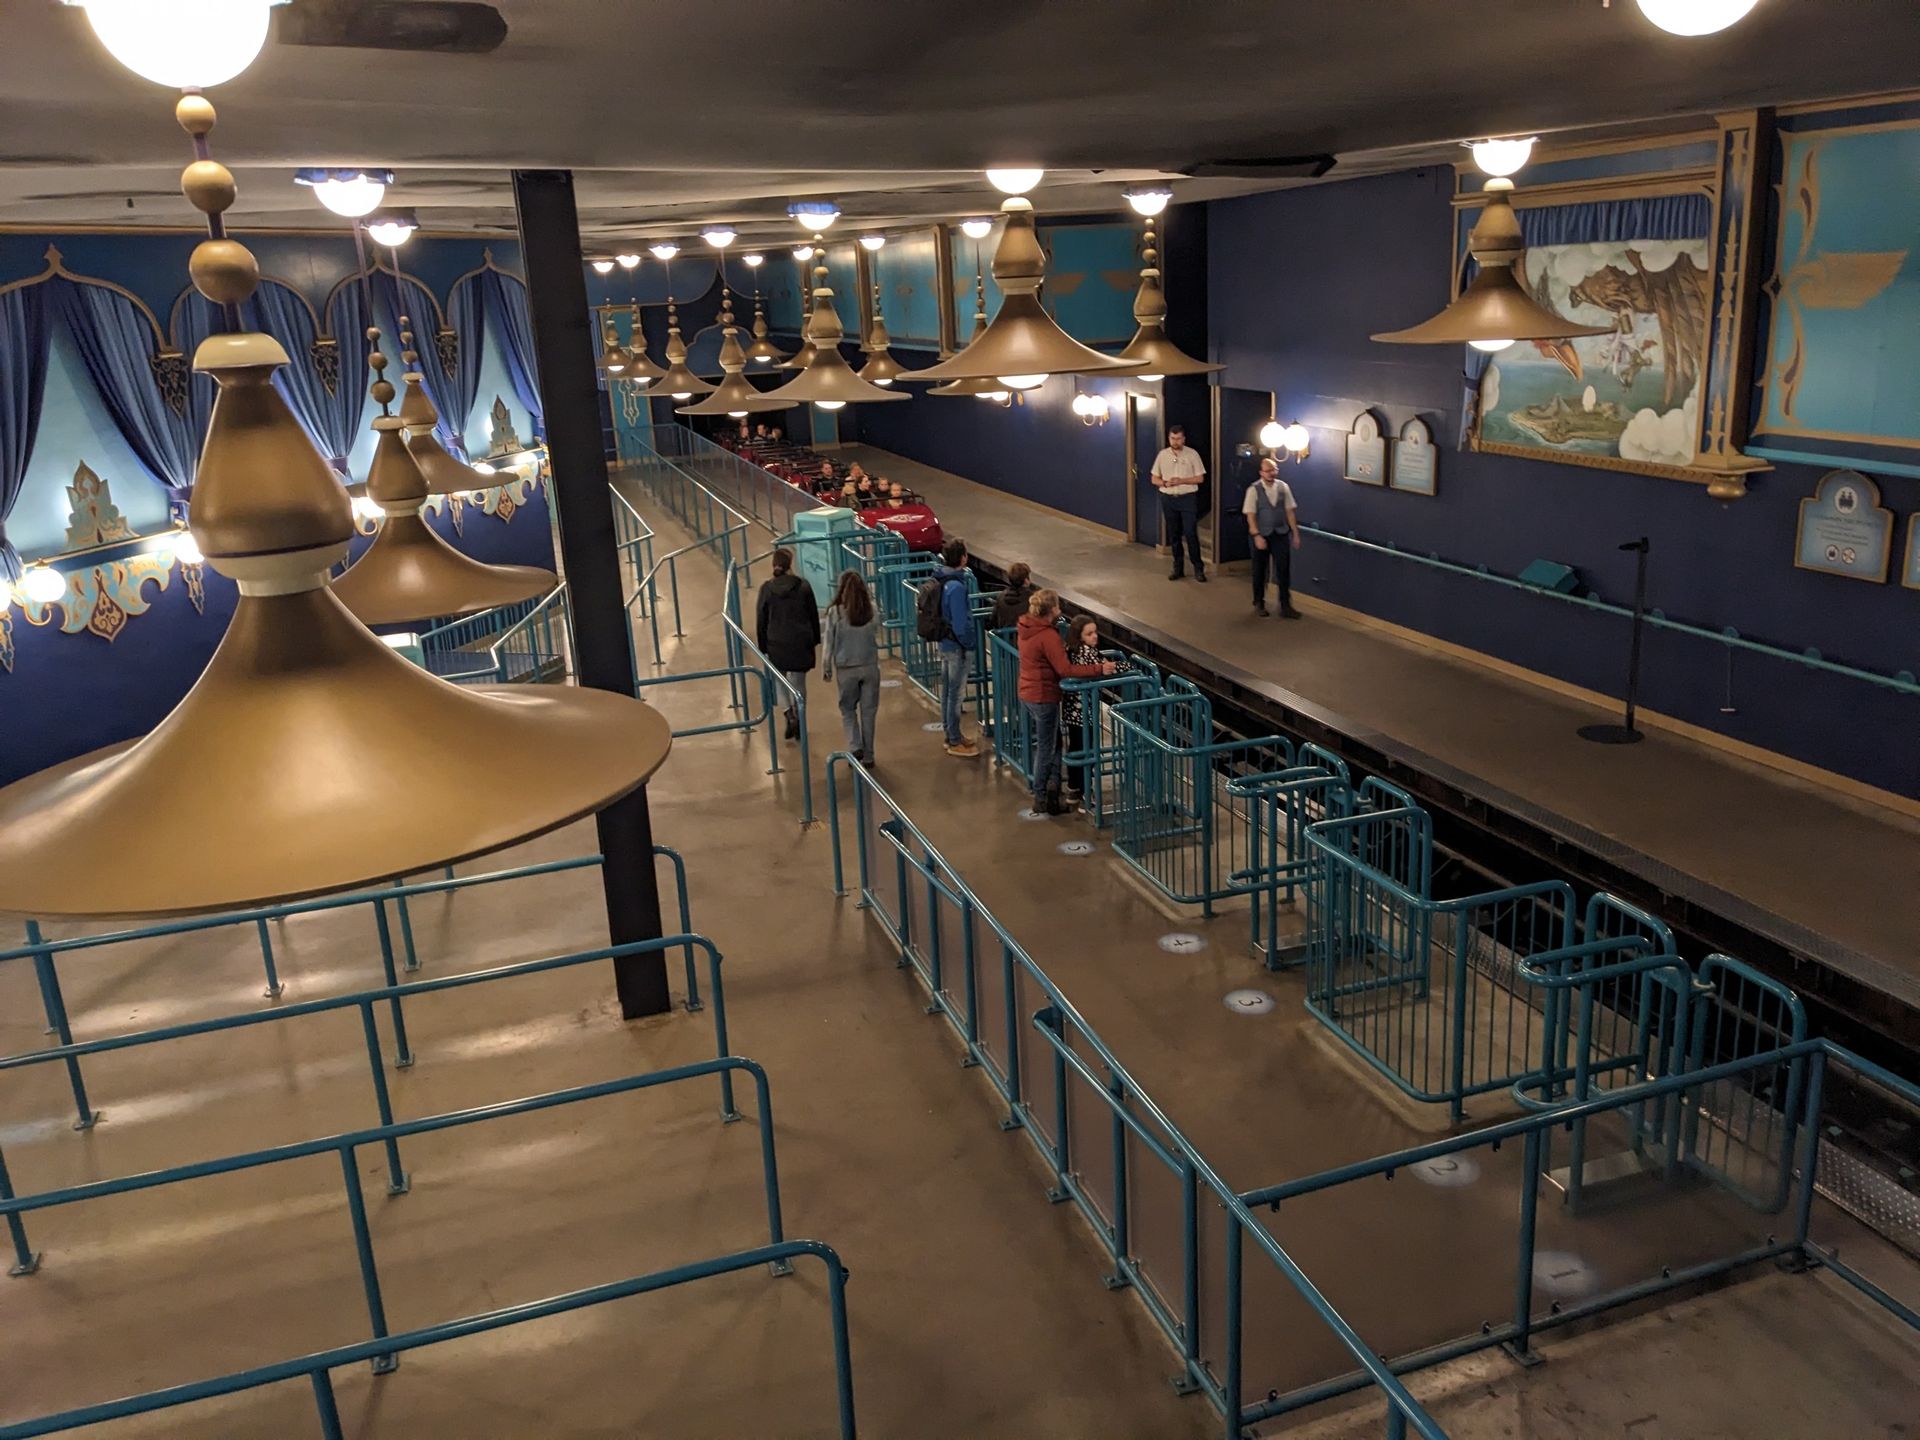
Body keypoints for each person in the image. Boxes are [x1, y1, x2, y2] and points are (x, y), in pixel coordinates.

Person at [1017, 590, 1115, 816]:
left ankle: (1052, 791)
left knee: (1054, 745)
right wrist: (1099, 669)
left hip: (1028, 692)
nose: (1060, 609)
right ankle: (1041, 796)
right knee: (1047, 748)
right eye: (1058, 605)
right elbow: (1065, 669)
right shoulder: (1048, 636)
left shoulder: (1026, 627)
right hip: (1043, 696)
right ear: (1052, 610)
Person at [1060, 614, 1130, 801]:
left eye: (1095, 632)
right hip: (1084, 711)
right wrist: (1129, 665)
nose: (1095, 636)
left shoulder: (1071, 649)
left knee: (1076, 746)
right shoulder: (1086, 652)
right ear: (1080, 636)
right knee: (1087, 748)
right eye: (1089, 634)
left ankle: (1074, 787)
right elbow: (1109, 668)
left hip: (1071, 710)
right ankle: (1085, 792)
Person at [755, 546, 821, 741]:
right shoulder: (804, 586)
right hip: (800, 641)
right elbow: (813, 615)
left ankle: (788, 713)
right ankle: (799, 717)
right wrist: (815, 639)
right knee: (799, 682)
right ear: (790, 564)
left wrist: (762, 646)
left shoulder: (767, 589)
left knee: (778, 679)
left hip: (776, 642)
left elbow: (761, 619)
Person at [821, 569, 881, 765]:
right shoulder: (872, 609)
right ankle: (869, 756)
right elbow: (875, 631)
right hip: (870, 666)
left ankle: (855, 746)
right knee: (869, 712)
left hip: (846, 668)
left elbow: (828, 642)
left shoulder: (835, 612)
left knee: (847, 708)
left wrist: (826, 667)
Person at [932, 537, 979, 758]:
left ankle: (951, 734)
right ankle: (954, 740)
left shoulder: (941, 579)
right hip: (956, 648)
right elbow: (960, 624)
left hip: (945, 643)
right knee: (955, 695)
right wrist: (970, 643)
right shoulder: (957, 587)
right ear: (963, 558)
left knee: (948, 693)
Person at [1242, 456, 1302, 618]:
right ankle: (1259, 602)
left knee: (1283, 569)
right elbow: (1250, 515)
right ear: (1261, 473)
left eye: (1273, 470)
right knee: (1259, 570)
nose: (1271, 473)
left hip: (1280, 534)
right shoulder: (1253, 490)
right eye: (1267, 471)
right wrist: (1256, 535)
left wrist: (1295, 534)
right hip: (1261, 535)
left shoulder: (1283, 487)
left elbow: (1290, 511)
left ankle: (1285, 605)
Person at [1151, 423, 1208, 583]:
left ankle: (1198, 568)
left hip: (1187, 498)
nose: (1175, 441)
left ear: (1184, 439)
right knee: (1174, 534)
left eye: (1178, 438)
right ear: (1169, 438)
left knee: (1190, 533)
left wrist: (1181, 481)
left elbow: (1200, 478)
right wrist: (1164, 483)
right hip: (1168, 498)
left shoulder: (1192, 454)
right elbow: (1154, 478)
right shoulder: (1162, 455)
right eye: (1172, 438)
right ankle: (1178, 568)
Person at [991, 561, 1037, 631]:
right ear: (1026, 581)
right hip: (1026, 636)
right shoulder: (1033, 599)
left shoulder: (1001, 596)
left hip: (1004, 636)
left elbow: (994, 620)